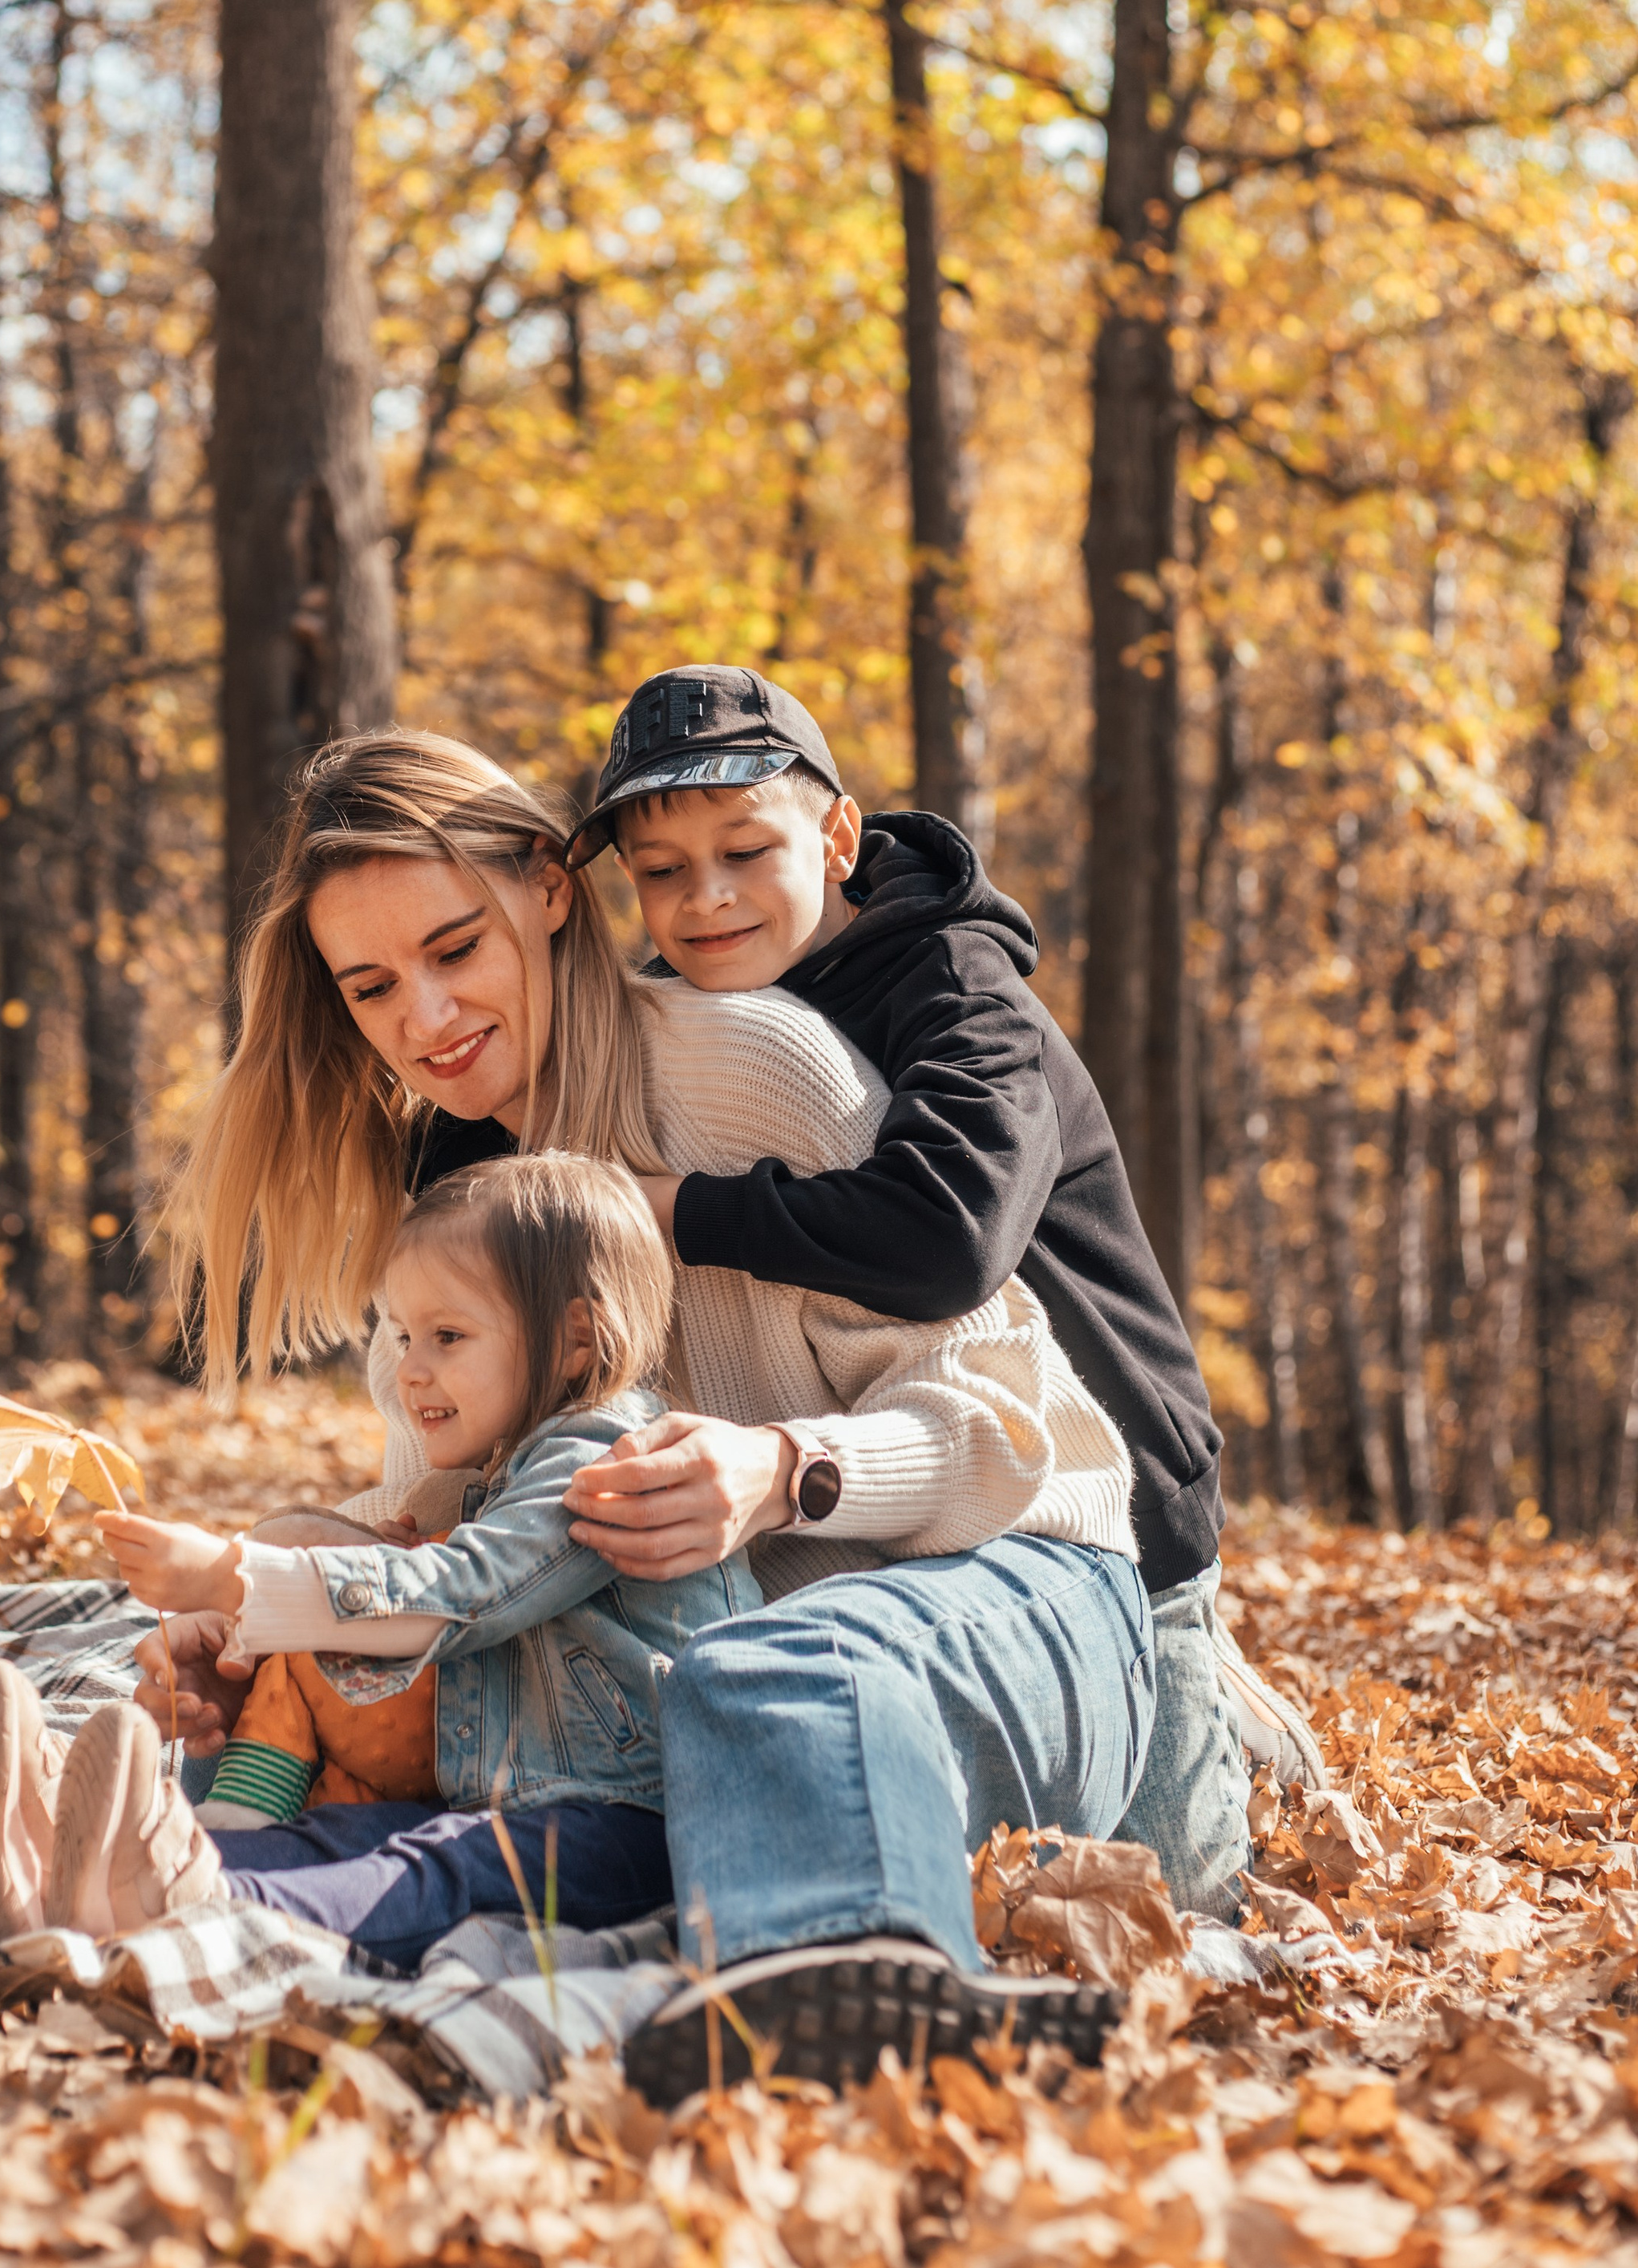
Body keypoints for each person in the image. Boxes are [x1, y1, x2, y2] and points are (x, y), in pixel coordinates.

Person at [123, 731, 1151, 2097]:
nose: (425, 1020)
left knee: (776, 1674)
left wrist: (783, 1472)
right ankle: (194, 1887)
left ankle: (858, 2004)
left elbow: (1004, 1426)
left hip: (1017, 1579)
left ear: (551, 889)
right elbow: (456, 1534)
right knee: (683, 1727)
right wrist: (274, 1622)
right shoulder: (449, 1213)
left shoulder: (756, 1069)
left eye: (456, 950)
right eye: (374, 988)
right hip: (724, 1688)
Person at [563, 660, 1306, 1923]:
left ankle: (1211, 1697)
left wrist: (674, 1208)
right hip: (914, 1488)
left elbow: (947, 1234)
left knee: (1173, 1921)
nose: (707, 897)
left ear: (839, 835)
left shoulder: (956, 983)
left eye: (746, 849)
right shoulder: (690, 1022)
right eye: (663, 872)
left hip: (1108, 1493)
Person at [0, 1154, 756, 1964]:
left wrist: (235, 1577)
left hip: (639, 1825)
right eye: (400, 1334)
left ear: (575, 1339)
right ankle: (62, 1876)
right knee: (344, 1835)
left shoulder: (606, 1460)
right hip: (516, 1802)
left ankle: (199, 1906)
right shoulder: (507, 1473)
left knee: (439, 1871)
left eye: (446, 1335)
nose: (409, 1370)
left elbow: (459, 1597)